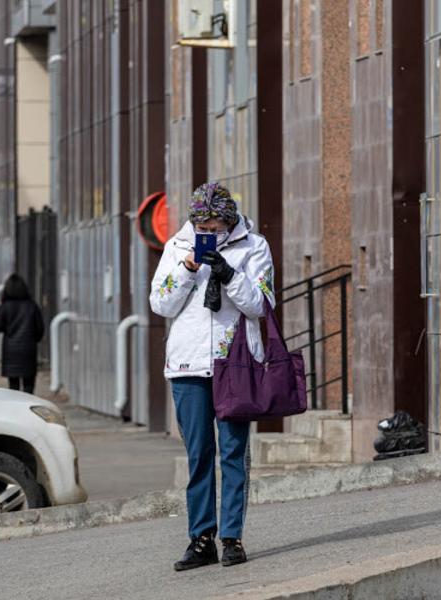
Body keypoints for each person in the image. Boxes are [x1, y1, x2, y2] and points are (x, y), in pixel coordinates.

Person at [149, 182, 275, 572]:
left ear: (229, 219)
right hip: (187, 367)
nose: (210, 232)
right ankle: (201, 539)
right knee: (198, 455)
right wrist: (189, 268)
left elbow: (260, 304)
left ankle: (232, 537)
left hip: (234, 364)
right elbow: (160, 303)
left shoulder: (254, 247)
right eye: (203, 224)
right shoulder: (176, 247)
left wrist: (229, 273)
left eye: (216, 224)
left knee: (234, 454)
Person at [0, 273, 44, 394]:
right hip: (28, 350)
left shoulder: (5, 307)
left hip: (11, 352)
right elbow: (40, 330)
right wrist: (32, 339)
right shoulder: (32, 306)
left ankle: (16, 411)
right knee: (29, 387)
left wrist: (8, 327)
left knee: (13, 388)